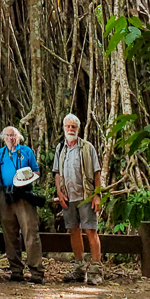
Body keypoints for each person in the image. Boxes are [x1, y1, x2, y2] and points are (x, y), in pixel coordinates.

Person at [53, 113, 103, 286]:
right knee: (73, 231)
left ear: (78, 129)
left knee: (90, 231)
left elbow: (97, 173)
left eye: (73, 126)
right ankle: (79, 269)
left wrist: (97, 195)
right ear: (63, 128)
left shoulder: (87, 148)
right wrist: (59, 193)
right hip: (68, 197)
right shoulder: (60, 149)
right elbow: (57, 174)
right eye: (68, 126)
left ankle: (96, 270)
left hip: (86, 196)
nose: (70, 129)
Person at [0, 125, 45, 284]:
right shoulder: (0, 154)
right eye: (8, 135)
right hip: (6, 197)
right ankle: (16, 270)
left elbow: (36, 173)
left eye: (14, 135)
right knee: (10, 235)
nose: (11, 138)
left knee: (30, 232)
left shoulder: (27, 152)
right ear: (3, 138)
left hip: (23, 195)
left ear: (19, 137)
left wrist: (26, 179)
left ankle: (36, 271)